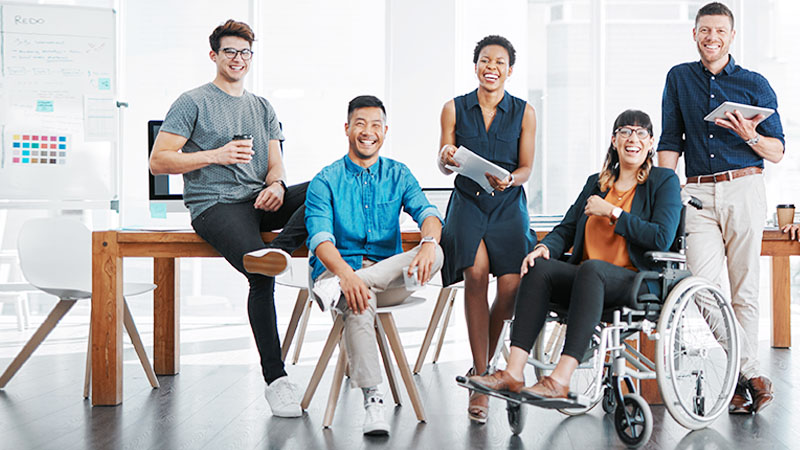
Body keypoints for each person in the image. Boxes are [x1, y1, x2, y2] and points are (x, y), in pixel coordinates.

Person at [149, 19, 308, 417]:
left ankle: (282, 249)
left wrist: (277, 185)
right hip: (215, 204)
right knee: (261, 275)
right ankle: (277, 380)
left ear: (251, 57)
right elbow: (158, 162)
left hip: (260, 199)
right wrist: (216, 155)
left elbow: (275, 164)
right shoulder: (193, 101)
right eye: (230, 52)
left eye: (244, 53)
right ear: (214, 56)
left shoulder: (262, 106)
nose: (238, 59)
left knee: (329, 185)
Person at [468, 110, 681, 402]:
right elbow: (567, 228)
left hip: (635, 278)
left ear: (651, 142)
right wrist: (545, 248)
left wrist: (613, 212)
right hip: (588, 277)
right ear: (614, 140)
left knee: (592, 269)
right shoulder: (597, 183)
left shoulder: (663, 181)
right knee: (540, 267)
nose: (633, 138)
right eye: (625, 131)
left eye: (641, 132)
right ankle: (512, 373)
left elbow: (661, 237)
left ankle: (560, 379)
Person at [657, 2, 785, 414]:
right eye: (704, 30)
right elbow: (670, 140)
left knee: (745, 292)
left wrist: (751, 135)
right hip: (697, 194)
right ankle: (751, 373)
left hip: (744, 187)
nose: (711, 37)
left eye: (720, 31)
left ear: (731, 37)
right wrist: (666, 189)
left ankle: (735, 384)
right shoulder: (679, 78)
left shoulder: (754, 83)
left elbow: (777, 150)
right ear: (694, 34)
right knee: (702, 287)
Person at [305, 95, 444, 436]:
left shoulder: (398, 174)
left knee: (438, 253)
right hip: (342, 272)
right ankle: (373, 401)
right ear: (347, 128)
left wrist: (428, 242)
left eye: (376, 126)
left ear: (385, 131)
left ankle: (345, 286)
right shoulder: (325, 180)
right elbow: (321, 239)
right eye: (361, 124)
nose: (369, 132)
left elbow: (428, 214)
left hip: (385, 279)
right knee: (358, 298)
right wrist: (345, 275)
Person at [436, 35, 537, 423]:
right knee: (475, 275)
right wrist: (446, 157)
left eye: (499, 62)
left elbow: (527, 167)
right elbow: (445, 161)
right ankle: (481, 378)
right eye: (484, 60)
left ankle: (489, 362)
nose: (490, 67)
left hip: (509, 203)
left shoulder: (525, 112)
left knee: (511, 286)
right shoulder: (453, 108)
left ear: (510, 70)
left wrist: (512, 179)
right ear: (475, 65)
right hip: (468, 203)